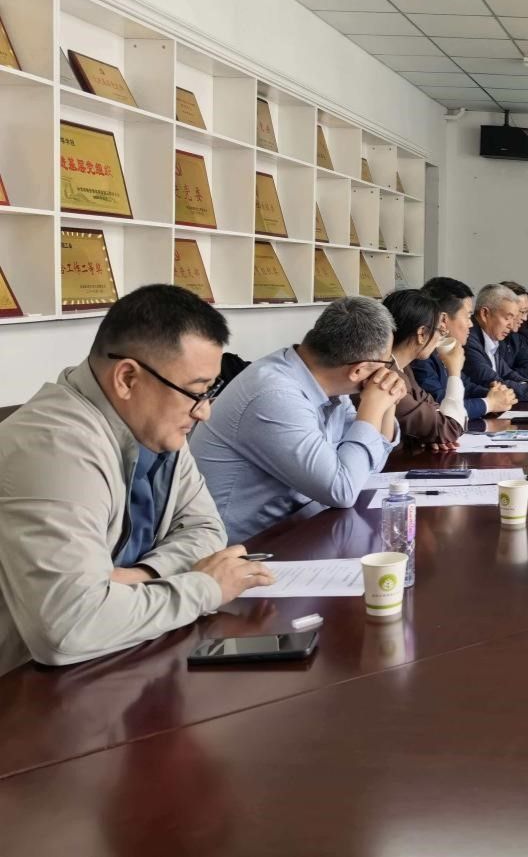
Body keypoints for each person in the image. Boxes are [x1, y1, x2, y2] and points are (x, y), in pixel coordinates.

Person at [0, 284, 274, 676]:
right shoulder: (51, 448)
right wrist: (206, 587)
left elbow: (206, 529)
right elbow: (69, 627)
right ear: (127, 378)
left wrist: (143, 577)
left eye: (210, 391)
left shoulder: (155, 426)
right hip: (25, 686)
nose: (204, 412)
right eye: (196, 392)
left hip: (114, 658)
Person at [191, 296, 407, 543]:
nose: (387, 372)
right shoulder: (275, 394)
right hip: (243, 547)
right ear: (358, 370)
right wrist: (372, 407)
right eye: (386, 364)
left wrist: (387, 402)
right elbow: (343, 490)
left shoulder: (325, 383)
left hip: (296, 530)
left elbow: (366, 465)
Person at [411, 277, 515, 419]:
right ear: (443, 320)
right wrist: (489, 403)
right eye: (468, 316)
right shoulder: (421, 356)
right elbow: (440, 405)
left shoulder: (443, 349)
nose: (470, 324)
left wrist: (494, 394)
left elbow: (465, 386)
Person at [381, 289, 465, 451]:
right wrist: (454, 373)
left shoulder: (403, 367)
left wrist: (433, 432)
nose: (440, 337)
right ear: (422, 333)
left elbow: (437, 411)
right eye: (439, 331)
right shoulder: (387, 377)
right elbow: (452, 427)